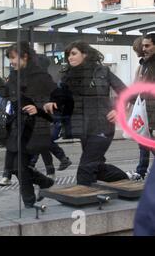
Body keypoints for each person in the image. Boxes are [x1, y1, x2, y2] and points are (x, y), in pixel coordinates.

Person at [45, 41, 129, 186]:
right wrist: (52, 102)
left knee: (85, 171)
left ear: (85, 54)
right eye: (68, 55)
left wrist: (118, 109)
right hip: (83, 128)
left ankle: (88, 202)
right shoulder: (66, 75)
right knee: (98, 168)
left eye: (73, 53)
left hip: (102, 126)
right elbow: (60, 97)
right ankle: (127, 180)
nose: (70, 57)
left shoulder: (102, 71)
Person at [0, 42, 55, 206]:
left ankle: (30, 200)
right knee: (16, 167)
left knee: (18, 166)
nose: (11, 61)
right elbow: (10, 96)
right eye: (10, 58)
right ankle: (43, 184)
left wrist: (38, 107)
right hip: (18, 124)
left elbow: (54, 98)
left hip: (35, 126)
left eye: (13, 57)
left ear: (24, 56)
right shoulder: (14, 74)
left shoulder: (41, 75)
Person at [130, 34, 155, 180]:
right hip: (146, 107)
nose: (143, 49)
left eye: (147, 46)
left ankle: (141, 170)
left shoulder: (147, 65)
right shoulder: (144, 64)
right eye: (143, 46)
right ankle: (141, 170)